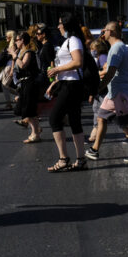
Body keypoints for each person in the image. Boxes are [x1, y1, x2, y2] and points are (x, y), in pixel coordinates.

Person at [86, 22, 128, 164]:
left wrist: (99, 87)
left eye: (105, 30)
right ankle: (95, 150)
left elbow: (111, 72)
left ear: (112, 32)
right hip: (114, 92)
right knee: (101, 117)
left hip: (120, 93)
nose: (103, 33)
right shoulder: (116, 48)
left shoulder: (117, 48)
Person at [44, 13, 87, 172]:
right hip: (67, 84)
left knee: (55, 119)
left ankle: (64, 159)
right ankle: (81, 159)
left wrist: (57, 69)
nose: (58, 26)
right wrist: (55, 81)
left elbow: (78, 62)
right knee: (75, 121)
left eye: (60, 23)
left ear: (67, 25)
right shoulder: (68, 41)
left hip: (71, 86)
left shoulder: (74, 40)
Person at [14, 31, 42, 143]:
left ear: (22, 40)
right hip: (24, 83)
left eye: (17, 40)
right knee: (24, 109)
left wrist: (14, 55)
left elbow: (23, 65)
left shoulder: (28, 52)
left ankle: (35, 133)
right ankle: (36, 130)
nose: (15, 42)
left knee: (28, 109)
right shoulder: (21, 52)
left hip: (30, 83)